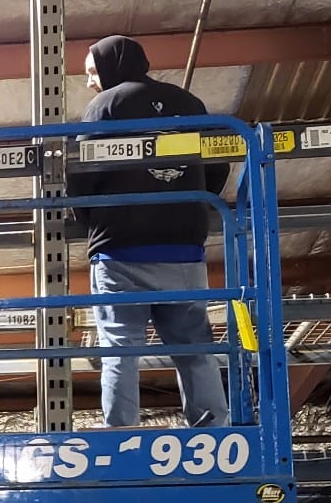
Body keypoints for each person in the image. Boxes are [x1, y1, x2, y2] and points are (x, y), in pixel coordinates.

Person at [70, 36, 229, 429]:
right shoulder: (189, 103)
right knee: (194, 347)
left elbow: (81, 173)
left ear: (109, 67)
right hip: (183, 248)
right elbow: (217, 165)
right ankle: (212, 429)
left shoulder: (104, 106)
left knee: (120, 348)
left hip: (120, 248)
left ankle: (122, 433)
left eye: (92, 72)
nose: (90, 82)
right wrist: (189, 204)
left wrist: (93, 221)